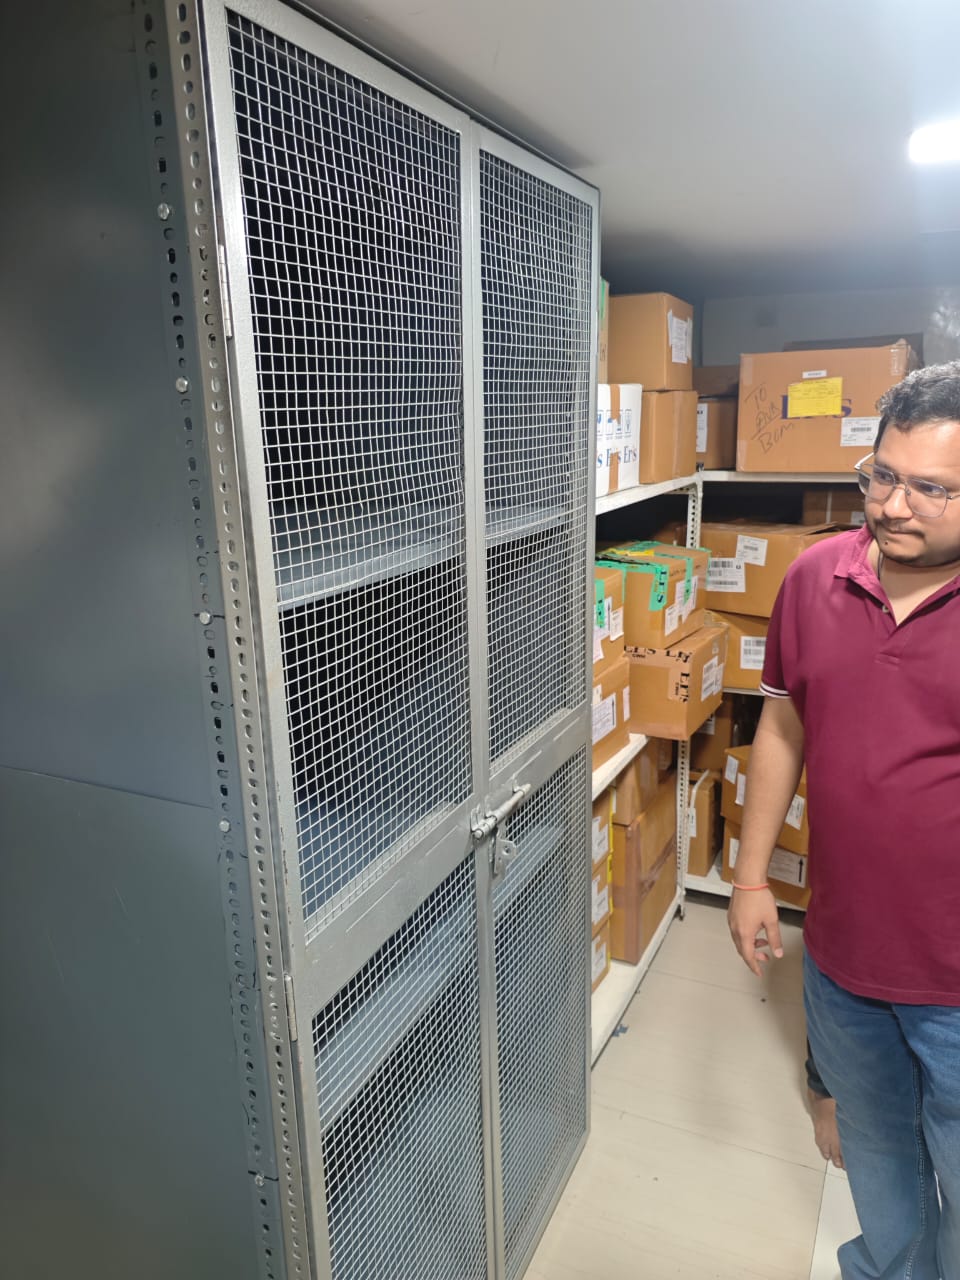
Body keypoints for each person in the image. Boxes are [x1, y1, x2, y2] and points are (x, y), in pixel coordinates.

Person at [727, 360, 960, 1280]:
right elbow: (784, 718)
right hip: (842, 959)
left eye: (932, 488)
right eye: (882, 475)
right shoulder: (815, 575)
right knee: (878, 1162)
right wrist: (750, 880)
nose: (895, 505)